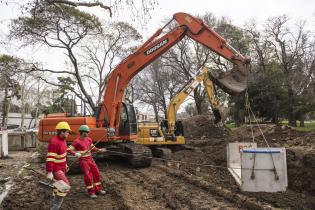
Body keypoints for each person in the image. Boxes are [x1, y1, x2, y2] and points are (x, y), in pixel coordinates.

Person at [67, 125, 106, 198]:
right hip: (83, 161)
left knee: (96, 173)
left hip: (90, 159)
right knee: (88, 176)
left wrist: (99, 150)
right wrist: (75, 153)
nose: (88, 133)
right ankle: (91, 192)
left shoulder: (89, 139)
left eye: (88, 132)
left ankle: (98, 190)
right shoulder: (76, 141)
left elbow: (92, 148)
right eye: (87, 132)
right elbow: (69, 149)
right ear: (82, 132)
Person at [46, 121, 71, 210]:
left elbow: (62, 155)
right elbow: (50, 158)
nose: (68, 133)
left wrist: (66, 164)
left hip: (62, 168)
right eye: (67, 132)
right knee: (65, 187)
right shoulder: (54, 142)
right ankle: (55, 207)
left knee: (57, 185)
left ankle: (53, 199)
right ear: (62, 132)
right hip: (56, 169)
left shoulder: (63, 140)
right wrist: (49, 172)